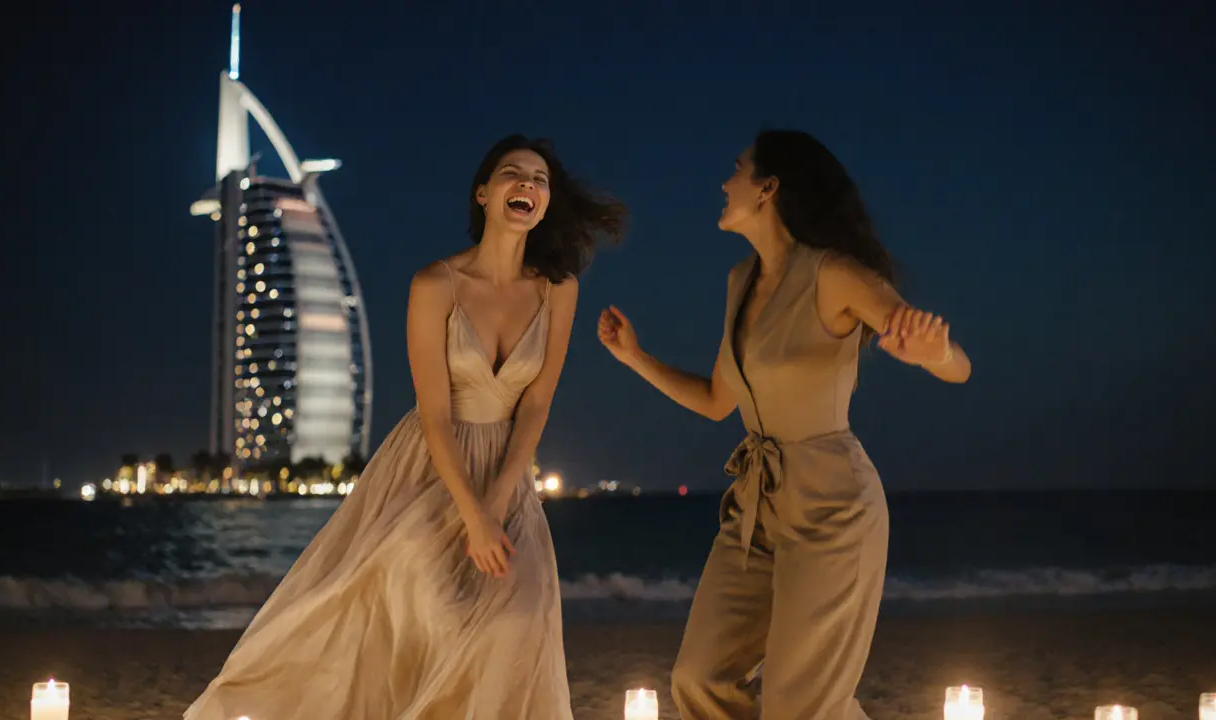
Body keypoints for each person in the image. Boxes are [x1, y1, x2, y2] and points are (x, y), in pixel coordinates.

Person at [186, 134, 626, 720]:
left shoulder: (558, 288)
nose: (528, 185)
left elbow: (537, 404)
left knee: (517, 622)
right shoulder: (435, 284)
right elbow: (435, 413)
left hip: (508, 474)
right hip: (429, 468)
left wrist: (496, 505)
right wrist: (472, 514)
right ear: (483, 193)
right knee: (423, 614)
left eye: (540, 179)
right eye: (512, 174)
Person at [597, 129, 971, 719]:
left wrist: (932, 352)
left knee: (801, 704)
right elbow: (720, 400)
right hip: (756, 506)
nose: (724, 183)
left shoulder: (834, 274)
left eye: (737, 170)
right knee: (700, 678)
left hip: (834, 508)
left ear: (768, 188)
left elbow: (957, 365)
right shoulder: (739, 282)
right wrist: (635, 358)